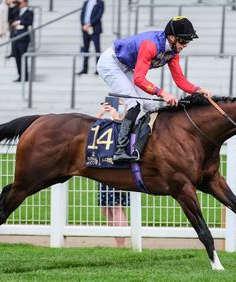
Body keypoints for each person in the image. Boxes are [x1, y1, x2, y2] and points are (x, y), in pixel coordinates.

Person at [97, 16, 212, 162]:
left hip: (125, 65)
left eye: (187, 42)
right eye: (183, 41)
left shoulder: (172, 53)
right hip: (111, 63)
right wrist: (162, 93)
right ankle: (119, 150)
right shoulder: (150, 45)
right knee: (134, 104)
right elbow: (139, 79)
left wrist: (197, 90)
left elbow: (180, 80)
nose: (185, 45)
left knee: (151, 105)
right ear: (171, 37)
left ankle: (141, 145)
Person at [95, 99, 130, 247]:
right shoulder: (109, 115)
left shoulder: (127, 112)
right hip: (104, 164)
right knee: (106, 208)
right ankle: (117, 242)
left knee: (116, 206)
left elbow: (125, 132)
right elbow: (92, 129)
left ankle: (120, 244)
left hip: (117, 167)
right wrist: (101, 113)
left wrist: (117, 116)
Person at [77, 0, 104, 76]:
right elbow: (82, 14)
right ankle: (85, 68)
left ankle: (99, 69)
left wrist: (89, 24)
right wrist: (83, 24)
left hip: (95, 29)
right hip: (85, 29)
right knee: (85, 49)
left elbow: (99, 15)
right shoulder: (86, 3)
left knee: (97, 49)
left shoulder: (100, 3)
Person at [11, 0, 33, 82]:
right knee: (17, 57)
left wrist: (20, 22)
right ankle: (20, 75)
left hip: (23, 38)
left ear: (25, 2)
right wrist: (15, 4)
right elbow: (11, 15)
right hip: (15, 37)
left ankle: (25, 76)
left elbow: (30, 22)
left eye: (21, 2)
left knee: (23, 57)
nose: (20, 4)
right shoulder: (17, 11)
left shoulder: (29, 12)